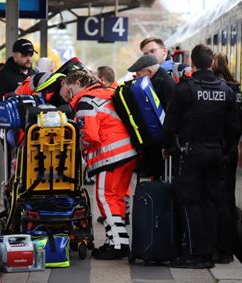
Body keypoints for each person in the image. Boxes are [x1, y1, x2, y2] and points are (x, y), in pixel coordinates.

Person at [162, 44, 239, 269]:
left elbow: (171, 123)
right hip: (216, 153)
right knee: (211, 202)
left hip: (192, 152)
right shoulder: (226, 91)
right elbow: (233, 127)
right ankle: (211, 251)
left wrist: (166, 146)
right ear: (212, 62)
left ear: (193, 63)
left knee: (189, 201)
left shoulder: (185, 89)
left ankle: (195, 254)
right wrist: (225, 151)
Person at [60, 70, 138, 260]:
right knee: (116, 198)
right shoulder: (106, 93)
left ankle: (119, 244)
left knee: (104, 197)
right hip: (128, 152)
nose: (69, 93)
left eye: (69, 88)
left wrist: (78, 144)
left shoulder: (86, 101)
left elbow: (91, 136)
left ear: (78, 82)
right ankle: (116, 240)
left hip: (110, 155)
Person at [212, 53, 242, 264]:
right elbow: (238, 124)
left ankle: (218, 247)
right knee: (228, 200)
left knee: (215, 199)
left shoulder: (218, 88)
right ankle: (227, 248)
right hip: (231, 150)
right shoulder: (235, 89)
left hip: (218, 149)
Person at [128, 54, 175, 179]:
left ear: (149, 72)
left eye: (138, 74)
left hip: (162, 144)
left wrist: (166, 145)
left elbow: (170, 115)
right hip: (158, 142)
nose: (137, 78)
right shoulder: (156, 80)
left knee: (161, 177)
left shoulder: (165, 83)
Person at [0, 38, 36, 110]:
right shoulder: (3, 76)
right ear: (15, 56)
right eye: (25, 55)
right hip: (13, 119)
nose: (29, 59)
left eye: (31, 55)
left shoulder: (35, 74)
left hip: (34, 119)